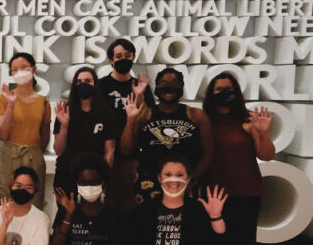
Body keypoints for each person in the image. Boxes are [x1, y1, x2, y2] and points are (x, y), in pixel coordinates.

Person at [203, 72, 275, 245]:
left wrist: (262, 132)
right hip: (213, 196)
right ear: (211, 94)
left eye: (228, 88)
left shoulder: (247, 121)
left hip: (245, 193)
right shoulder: (205, 121)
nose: (223, 92)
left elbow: (266, 154)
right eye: (218, 89)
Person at [121, 68, 213, 203]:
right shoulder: (144, 115)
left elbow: (208, 153)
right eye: (164, 83)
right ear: (156, 87)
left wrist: (191, 179)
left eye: (174, 83)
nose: (169, 87)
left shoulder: (196, 115)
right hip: (150, 183)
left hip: (186, 182)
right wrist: (131, 120)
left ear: (181, 86)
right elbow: (126, 149)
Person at [96, 39, 155, 211]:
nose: (124, 59)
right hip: (106, 153)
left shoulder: (141, 86)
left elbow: (148, 117)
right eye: (119, 56)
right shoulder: (101, 85)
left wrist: (140, 96)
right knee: (108, 204)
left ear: (133, 58)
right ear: (110, 60)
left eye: (128, 56)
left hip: (133, 154)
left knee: (131, 205)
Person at [0, 53, 51, 208]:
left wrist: (36, 152)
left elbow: (45, 137)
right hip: (7, 156)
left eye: (23, 67)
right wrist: (11, 104)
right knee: (3, 201)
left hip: (33, 156)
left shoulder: (43, 103)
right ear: (11, 74)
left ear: (34, 69)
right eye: (15, 69)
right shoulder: (2, 98)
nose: (19, 72)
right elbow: (2, 134)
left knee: (33, 202)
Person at [52, 66, 117, 194]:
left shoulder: (106, 113)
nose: (83, 85)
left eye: (87, 81)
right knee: (66, 213)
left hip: (94, 177)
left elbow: (109, 151)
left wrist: (104, 178)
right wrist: (64, 125)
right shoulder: (65, 111)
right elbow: (59, 151)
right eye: (79, 82)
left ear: (95, 84)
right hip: (66, 173)